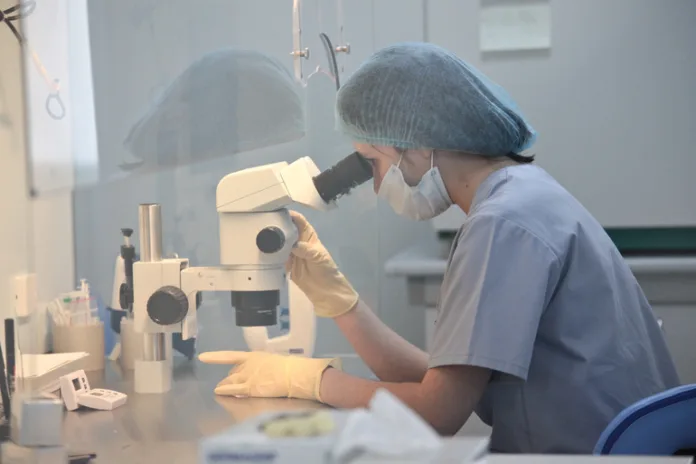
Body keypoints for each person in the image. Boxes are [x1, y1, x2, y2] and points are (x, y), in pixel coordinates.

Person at [199, 42, 680, 454]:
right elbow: (443, 382)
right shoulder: (521, 197)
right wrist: (340, 302)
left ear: (418, 144)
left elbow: (437, 412)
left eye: (372, 164)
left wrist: (307, 380)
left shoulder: (501, 224)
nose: (376, 185)